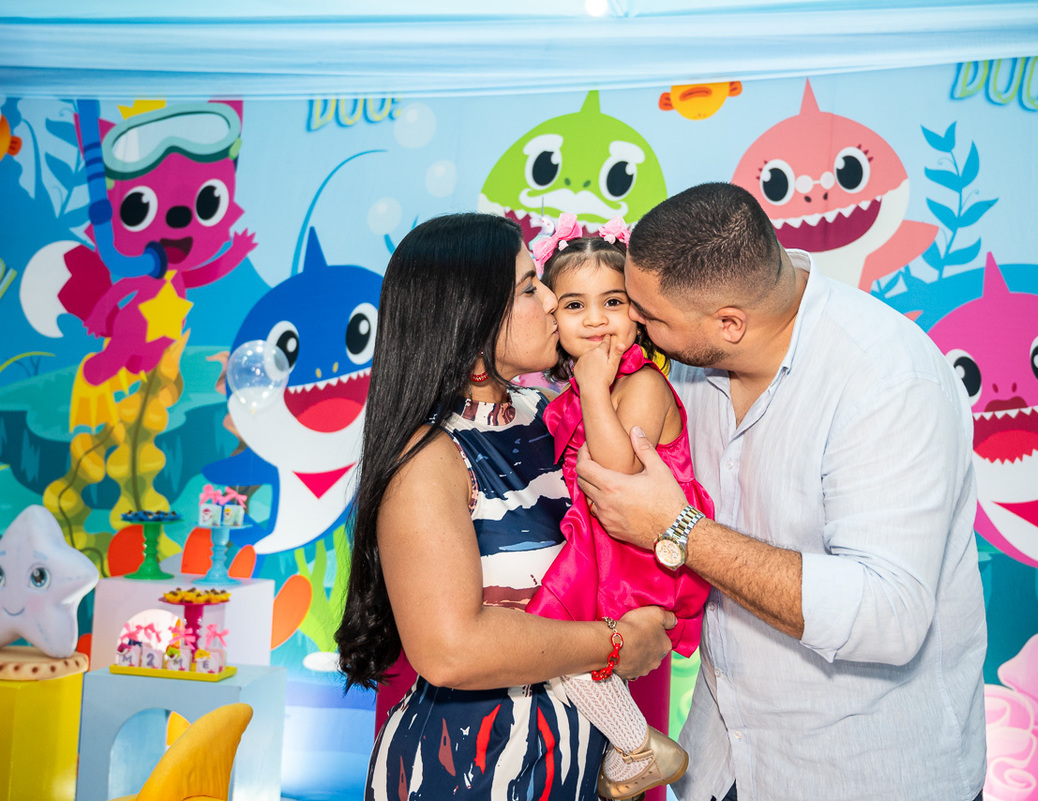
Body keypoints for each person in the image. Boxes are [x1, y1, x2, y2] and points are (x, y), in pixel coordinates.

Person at [573, 183, 988, 801]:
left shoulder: (887, 381)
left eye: (648, 314)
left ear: (730, 324)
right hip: (724, 760)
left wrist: (678, 529)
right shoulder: (685, 358)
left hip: (865, 773)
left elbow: (888, 616)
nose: (632, 321)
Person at [335, 213, 678, 801]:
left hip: (568, 761)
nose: (551, 301)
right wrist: (616, 643)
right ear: (469, 316)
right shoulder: (431, 453)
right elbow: (450, 650)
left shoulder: (545, 413)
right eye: (528, 288)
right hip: (470, 765)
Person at [524, 214, 715, 800]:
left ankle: (638, 747)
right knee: (555, 648)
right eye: (575, 306)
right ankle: (630, 746)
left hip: (636, 560)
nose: (596, 319)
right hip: (602, 550)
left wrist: (587, 389)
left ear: (640, 313)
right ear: (552, 318)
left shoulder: (644, 383)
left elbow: (616, 471)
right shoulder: (588, 389)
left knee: (555, 644)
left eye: (613, 301)